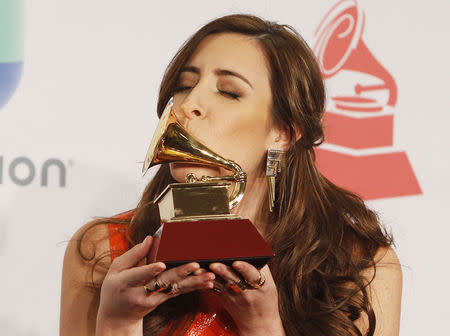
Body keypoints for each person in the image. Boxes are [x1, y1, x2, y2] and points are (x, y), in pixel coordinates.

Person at [60, 14, 402, 336]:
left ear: (283, 132)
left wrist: (264, 327)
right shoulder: (104, 251)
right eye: (184, 85)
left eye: (228, 91)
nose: (188, 104)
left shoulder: (360, 266)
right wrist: (117, 323)